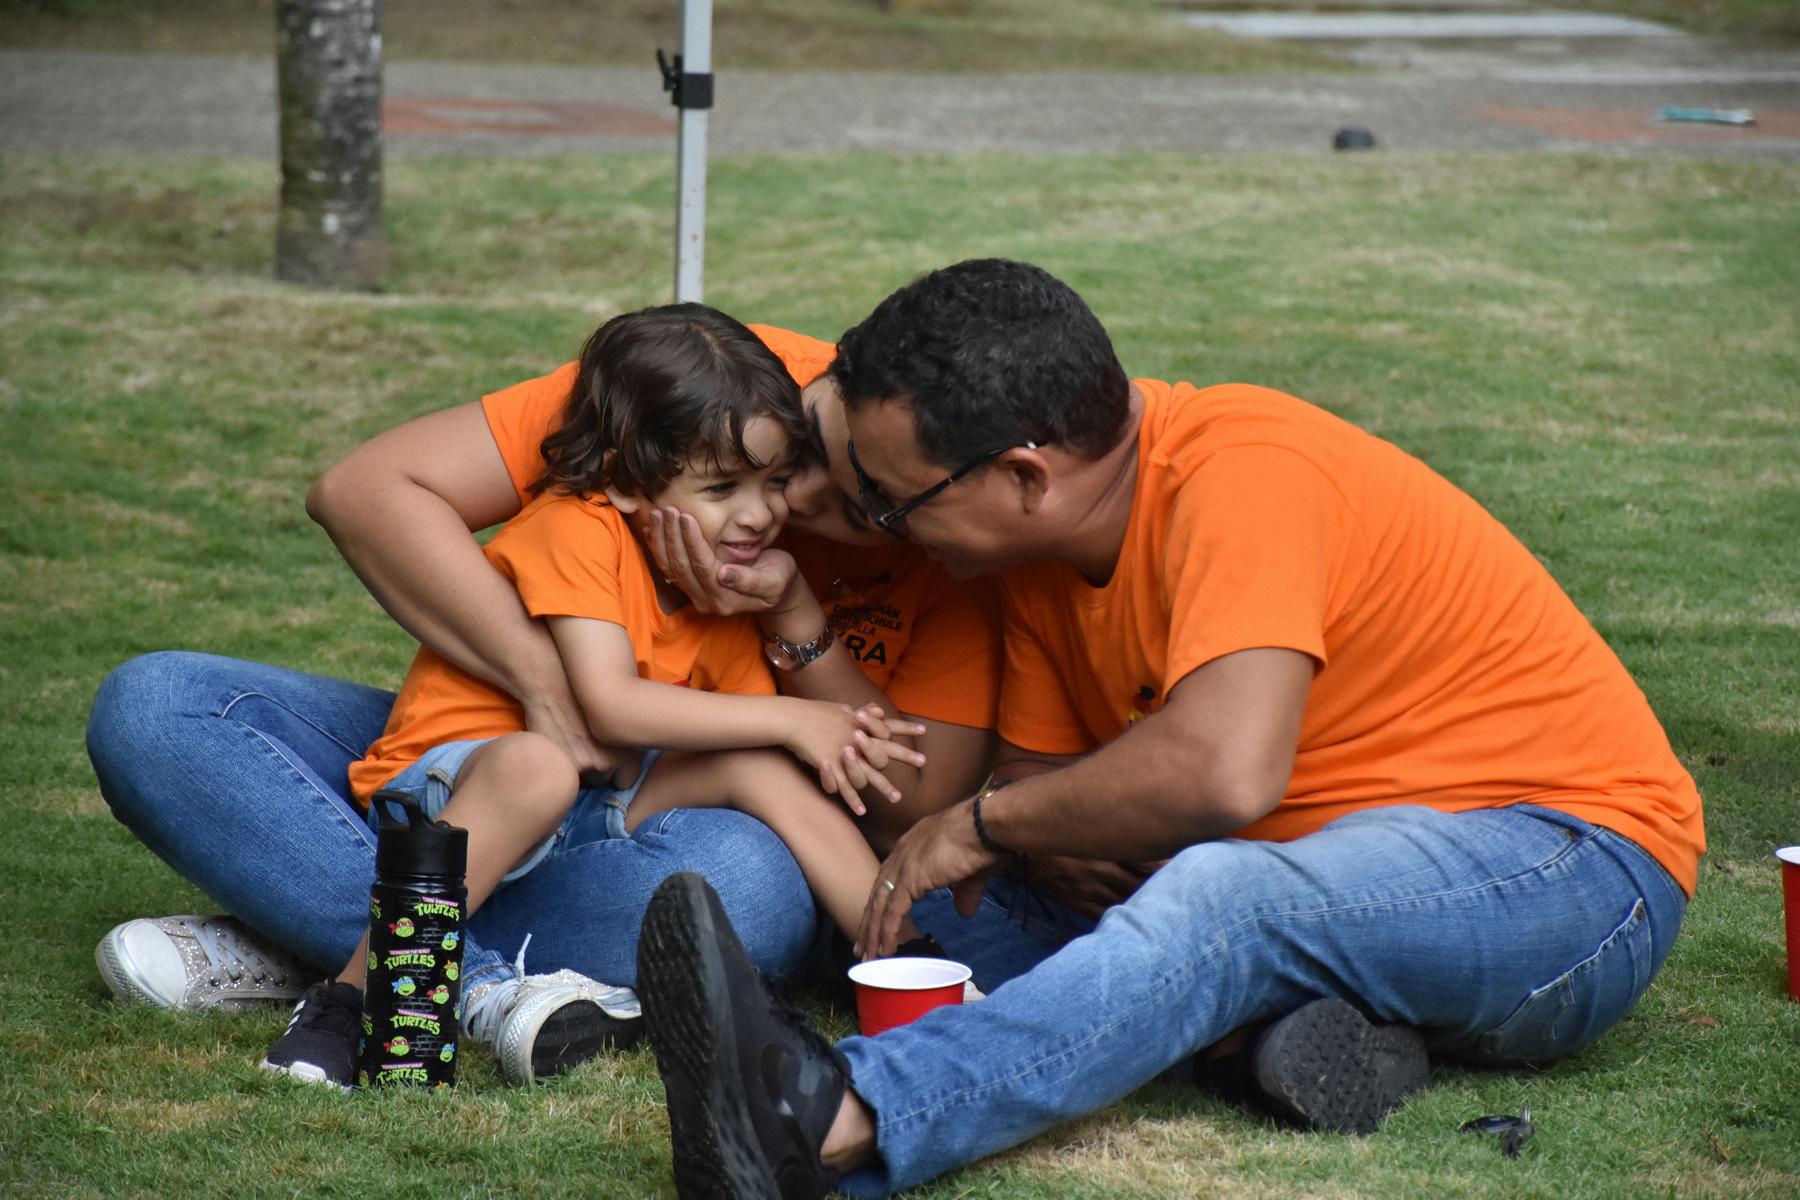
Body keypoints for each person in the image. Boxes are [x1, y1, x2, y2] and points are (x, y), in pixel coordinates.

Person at [633, 258, 1704, 1197]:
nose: (873, 524)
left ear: (1024, 476)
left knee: (1215, 899)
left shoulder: (1247, 472)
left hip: (1565, 869)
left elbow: (1222, 772)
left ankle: (838, 1120)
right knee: (934, 903)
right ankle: (1256, 1042)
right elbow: (1053, 800)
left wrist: (991, 824)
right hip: (1318, 885)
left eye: (889, 500)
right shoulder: (1035, 559)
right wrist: (1029, 839)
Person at [87, 317, 1003, 1048]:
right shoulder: (699, 390)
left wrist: (791, 615)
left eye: (847, 504)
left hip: (612, 815)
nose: (782, 506)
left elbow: (877, 793)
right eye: (793, 465)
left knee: (744, 886)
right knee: (159, 706)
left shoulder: (913, 562)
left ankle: (313, 940)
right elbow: (364, 492)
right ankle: (473, 989)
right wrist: (547, 686)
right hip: (471, 774)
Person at [258, 304, 930, 1089]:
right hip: (454, 796)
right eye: (722, 487)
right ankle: (348, 1002)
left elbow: (720, 740)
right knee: (538, 768)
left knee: (764, 770)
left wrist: (789, 640)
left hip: (591, 803)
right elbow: (609, 707)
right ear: (624, 480)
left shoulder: (731, 582)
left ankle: (914, 969)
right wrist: (797, 717)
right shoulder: (579, 529)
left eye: (774, 482)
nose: (761, 514)